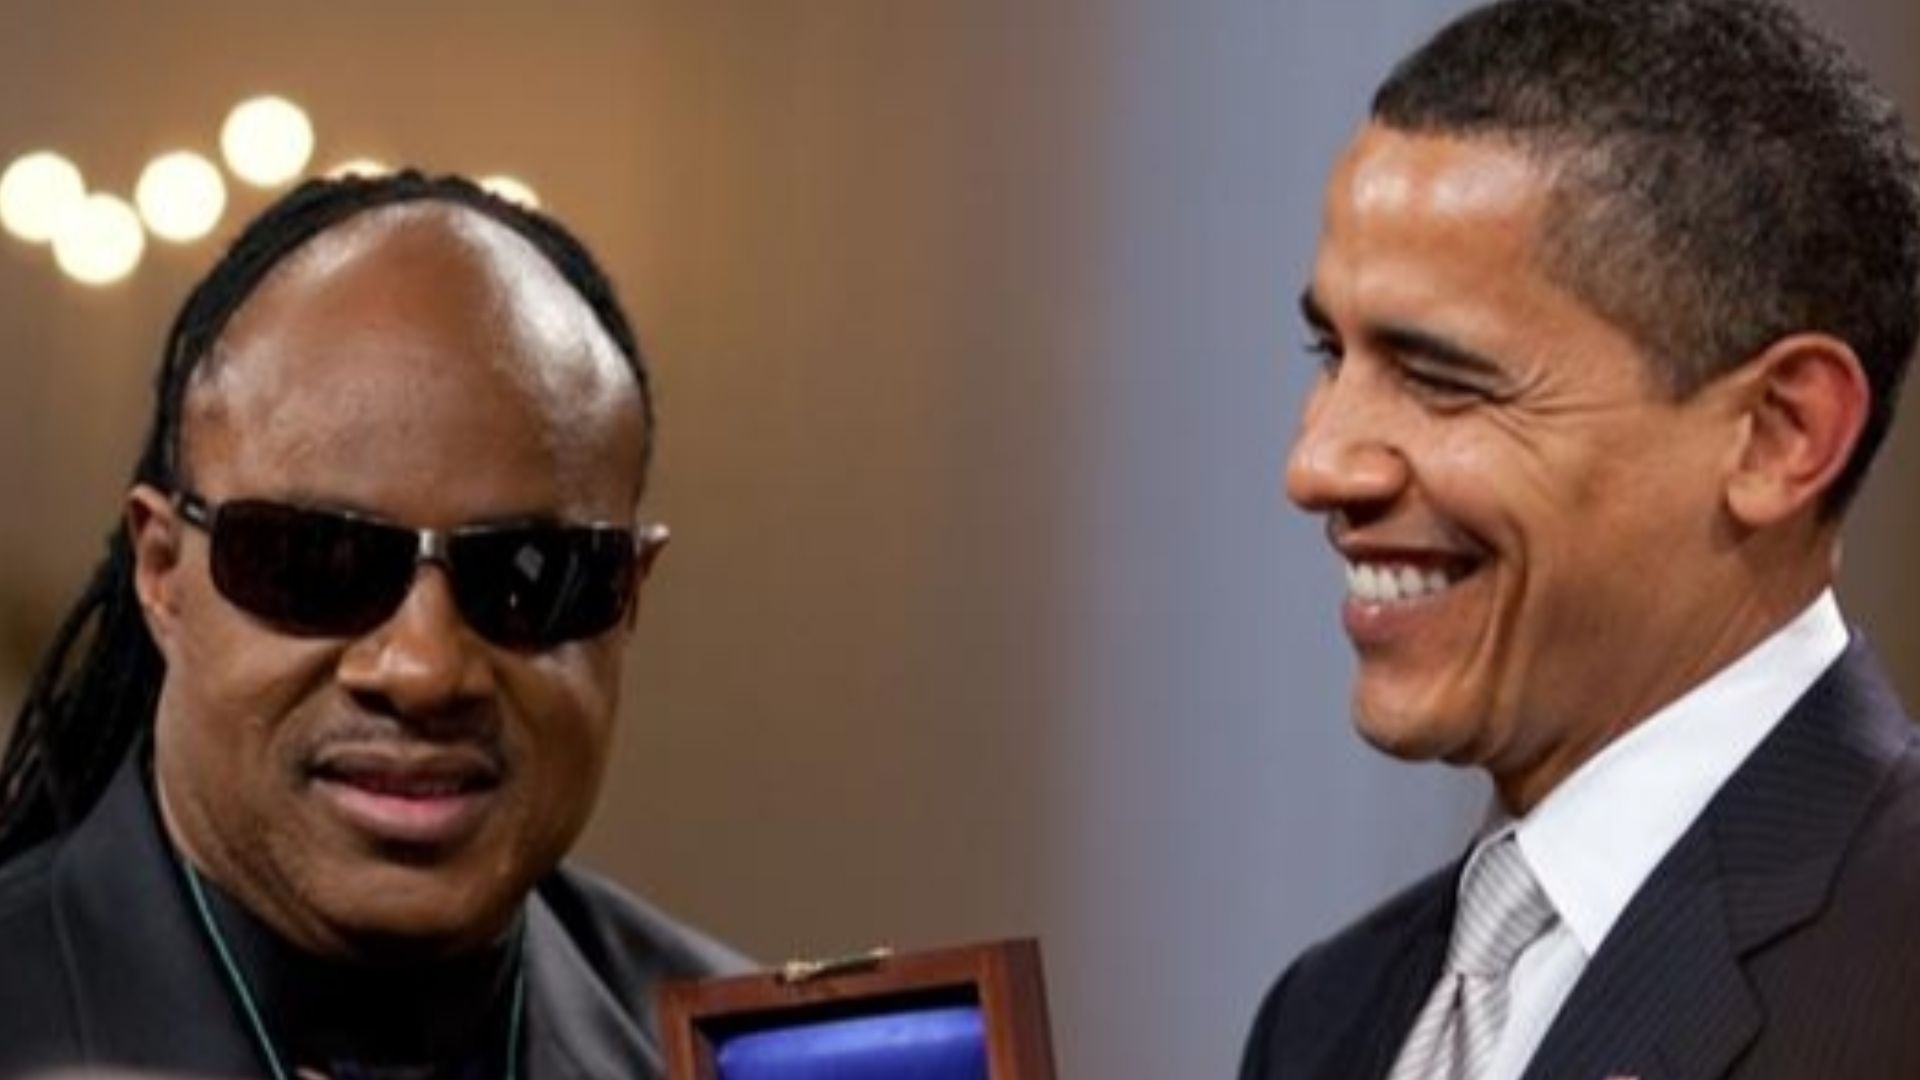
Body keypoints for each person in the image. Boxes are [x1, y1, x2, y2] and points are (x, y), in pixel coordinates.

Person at [1239, 1, 1920, 1077]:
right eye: (1332, 353)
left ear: (1779, 434)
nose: (1318, 463)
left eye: (1438, 377)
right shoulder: (1325, 1014)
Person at [0, 171, 743, 1078]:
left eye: (526, 578)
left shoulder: (752, 1061)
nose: (425, 668)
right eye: (319, 564)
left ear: (628, 593)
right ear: (162, 573)